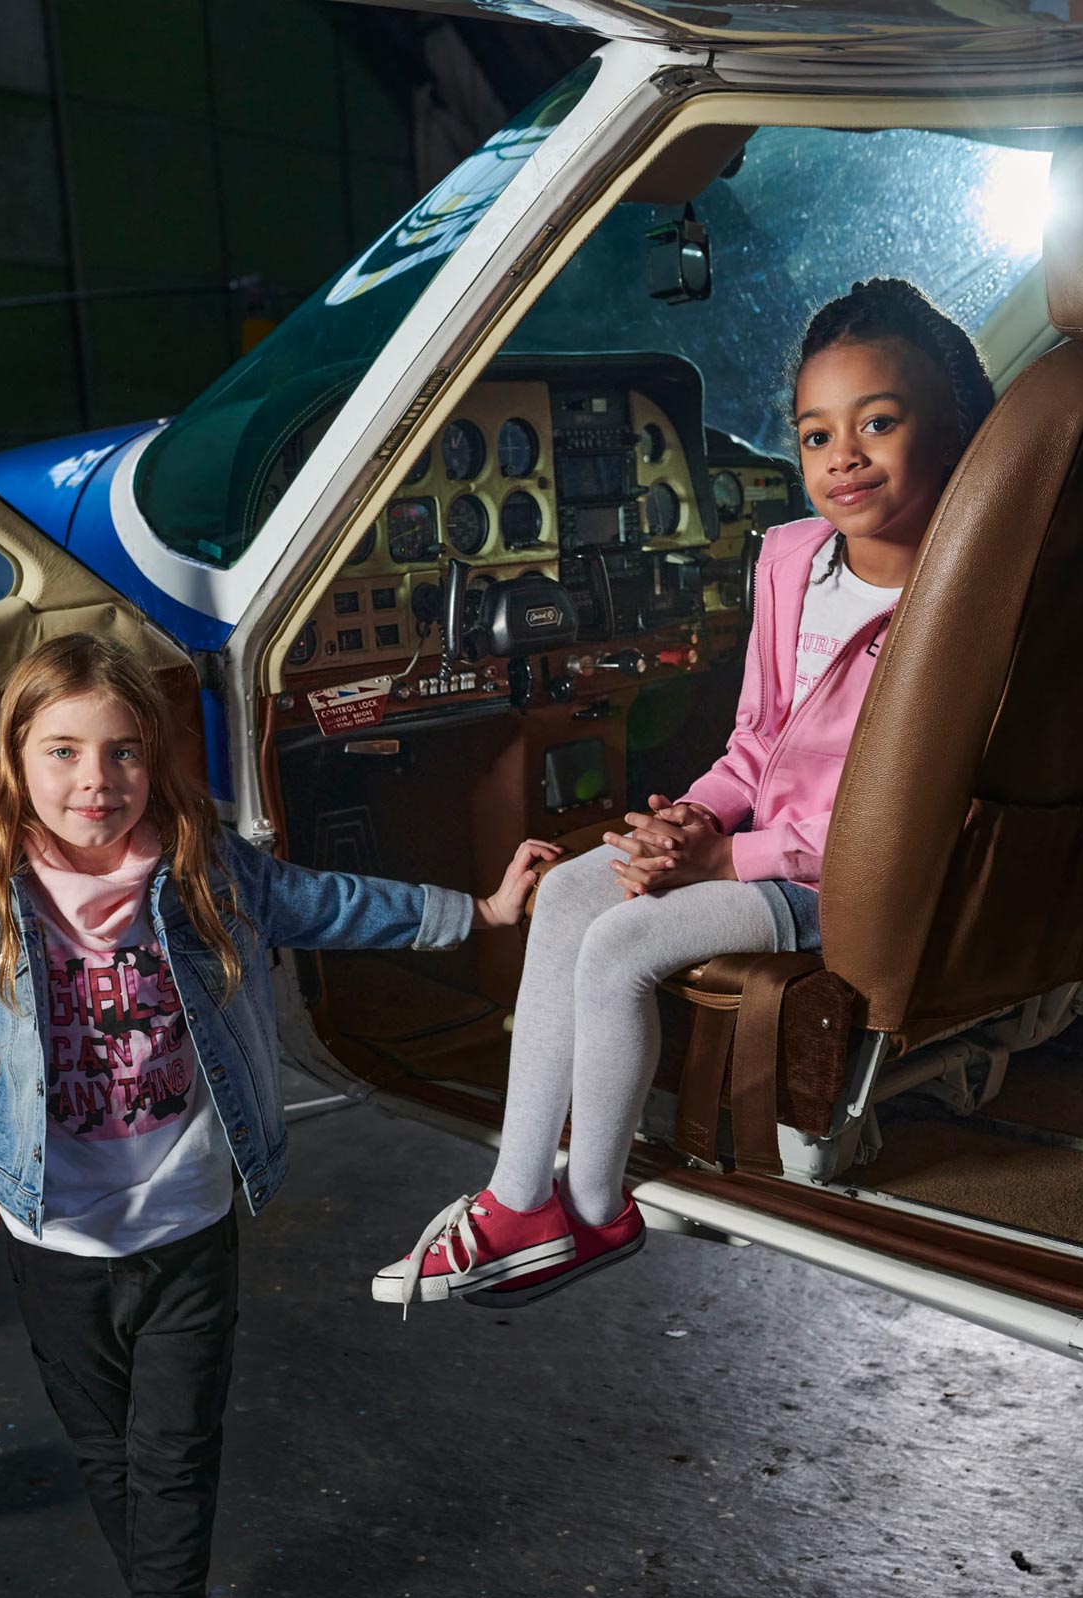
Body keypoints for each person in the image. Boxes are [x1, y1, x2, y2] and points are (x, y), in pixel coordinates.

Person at [0, 631, 556, 1598]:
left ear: (154, 762)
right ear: (15, 761)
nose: (94, 781)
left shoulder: (205, 869)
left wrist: (478, 909)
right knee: (106, 1448)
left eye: (122, 752)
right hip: (51, 1229)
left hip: (184, 1217)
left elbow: (329, 903)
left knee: (172, 1446)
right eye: (62, 751)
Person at [374, 277, 995, 1314]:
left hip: (851, 884)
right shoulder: (789, 559)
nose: (841, 456)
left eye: (878, 424)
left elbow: (907, 821)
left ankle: (589, 1207)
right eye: (815, 434)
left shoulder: (957, 601)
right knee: (571, 893)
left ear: (952, 431)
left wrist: (729, 860)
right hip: (757, 848)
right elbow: (754, 740)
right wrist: (694, 818)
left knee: (619, 945)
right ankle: (517, 1199)